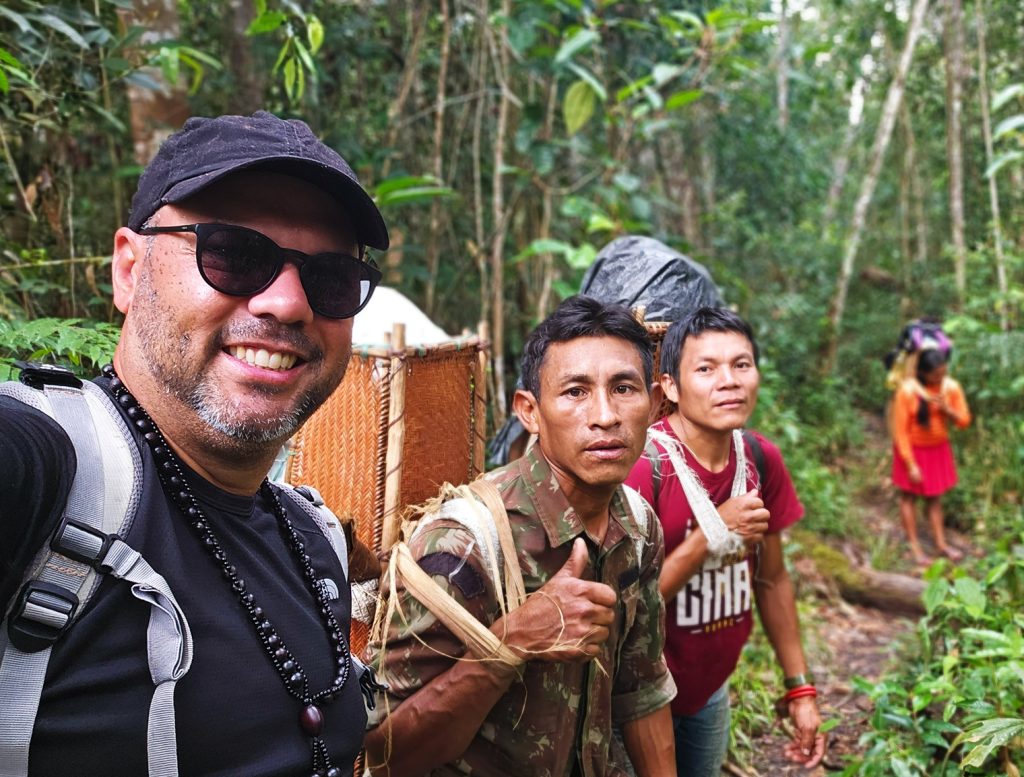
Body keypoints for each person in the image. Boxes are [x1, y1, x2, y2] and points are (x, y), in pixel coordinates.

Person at [0, 111, 389, 777]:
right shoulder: (47, 468)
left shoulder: (313, 537)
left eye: (328, 279)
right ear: (128, 269)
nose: (288, 304)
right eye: (235, 255)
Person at [364, 295, 676, 777]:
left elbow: (642, 691)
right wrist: (507, 645)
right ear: (530, 411)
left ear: (655, 405)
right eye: (575, 391)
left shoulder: (636, 526)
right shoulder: (463, 544)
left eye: (623, 388)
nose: (605, 415)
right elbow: (386, 755)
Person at [625, 307, 826, 776]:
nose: (730, 381)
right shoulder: (643, 467)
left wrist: (800, 689)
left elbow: (772, 581)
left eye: (741, 364)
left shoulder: (759, 458)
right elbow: (625, 610)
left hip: (710, 691)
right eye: (706, 368)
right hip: (633, 699)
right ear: (669, 387)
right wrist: (713, 532)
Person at [890, 346, 971, 564]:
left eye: (943, 372)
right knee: (909, 496)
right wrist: (910, 464)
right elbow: (900, 431)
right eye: (935, 374)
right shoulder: (907, 391)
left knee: (935, 497)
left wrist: (947, 410)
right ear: (923, 373)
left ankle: (941, 544)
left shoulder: (950, 387)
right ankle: (914, 546)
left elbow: (964, 421)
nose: (940, 377)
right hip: (912, 449)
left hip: (938, 448)